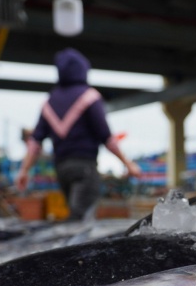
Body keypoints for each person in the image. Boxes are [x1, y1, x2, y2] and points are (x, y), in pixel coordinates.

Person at [16, 48, 141, 221]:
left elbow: (35, 141)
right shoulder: (90, 97)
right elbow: (106, 137)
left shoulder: (49, 102)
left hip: (61, 168)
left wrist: (24, 171)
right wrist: (128, 163)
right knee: (81, 219)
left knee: (75, 212)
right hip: (85, 166)